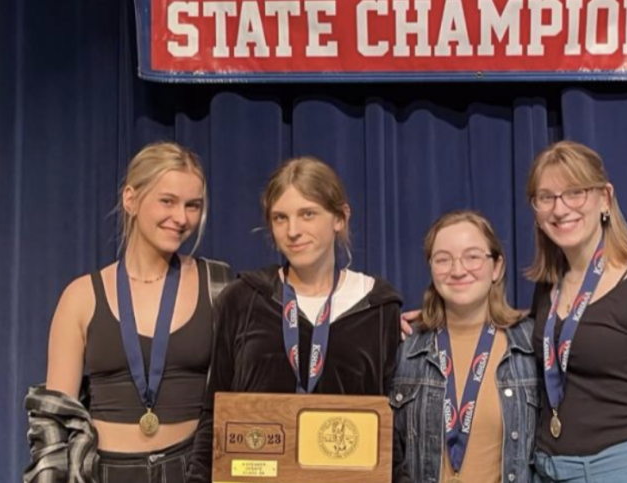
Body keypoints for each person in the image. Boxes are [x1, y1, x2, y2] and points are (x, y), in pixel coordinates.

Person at [185, 156, 405, 482]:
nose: (293, 231)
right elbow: (214, 413)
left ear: (340, 218)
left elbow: (389, 424)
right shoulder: (242, 299)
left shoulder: (378, 307)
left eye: (308, 214)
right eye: (280, 218)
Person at [25, 141, 233, 483]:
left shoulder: (220, 285)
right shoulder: (81, 296)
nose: (181, 218)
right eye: (167, 201)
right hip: (107, 471)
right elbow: (53, 423)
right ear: (131, 199)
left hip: (193, 470)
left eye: (192, 205)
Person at [526, 141, 627, 483]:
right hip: (546, 469)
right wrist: (443, 321)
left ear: (605, 197)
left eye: (575, 192)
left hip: (618, 471)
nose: (560, 209)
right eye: (547, 197)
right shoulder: (548, 288)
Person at [392, 210, 539, 483]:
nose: (458, 270)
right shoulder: (405, 349)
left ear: (497, 267)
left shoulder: (530, 347)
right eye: (443, 259)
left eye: (472, 257)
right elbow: (387, 455)